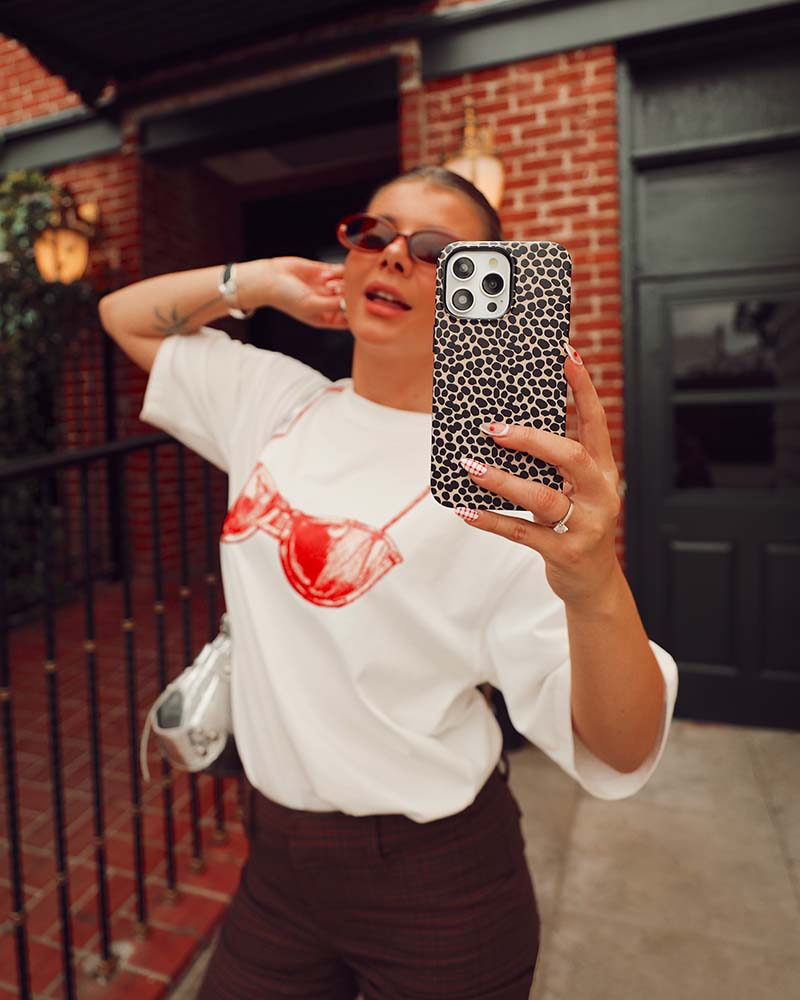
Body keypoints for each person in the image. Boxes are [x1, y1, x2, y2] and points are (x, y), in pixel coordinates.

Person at [99, 165, 678, 1000]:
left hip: (436, 881)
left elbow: (621, 745)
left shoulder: (499, 480)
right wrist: (261, 281)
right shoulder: (276, 401)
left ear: (487, 295)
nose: (396, 255)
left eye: (437, 249)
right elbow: (123, 316)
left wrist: (594, 585)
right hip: (277, 864)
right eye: (374, 234)